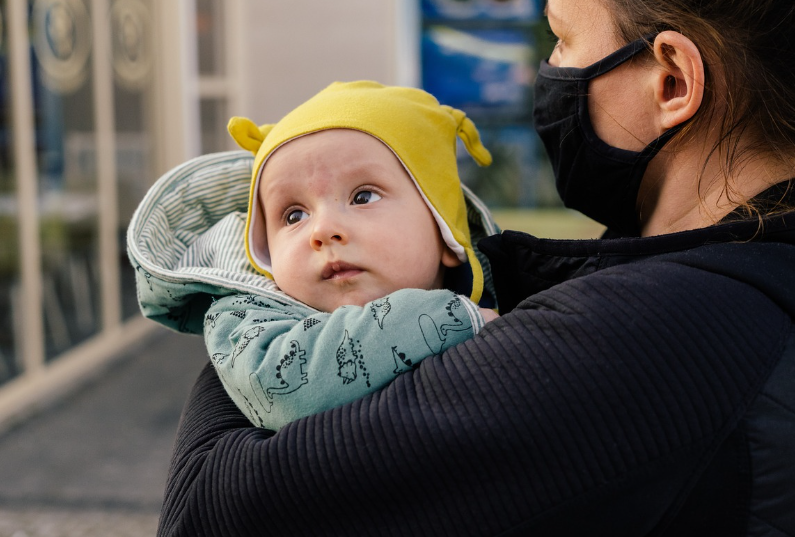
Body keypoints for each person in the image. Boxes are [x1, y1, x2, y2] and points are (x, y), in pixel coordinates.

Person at [152, 0, 795, 535]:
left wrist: (253, 298)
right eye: (291, 216)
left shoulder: (661, 329)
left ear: (672, 81)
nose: (548, 70)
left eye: (562, 39)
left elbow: (207, 509)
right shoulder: (705, 265)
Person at [128, 81, 500, 431]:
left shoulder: (514, 292)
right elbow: (280, 386)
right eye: (294, 215)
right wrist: (451, 318)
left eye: (363, 197)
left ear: (445, 235)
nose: (323, 231)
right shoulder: (246, 318)